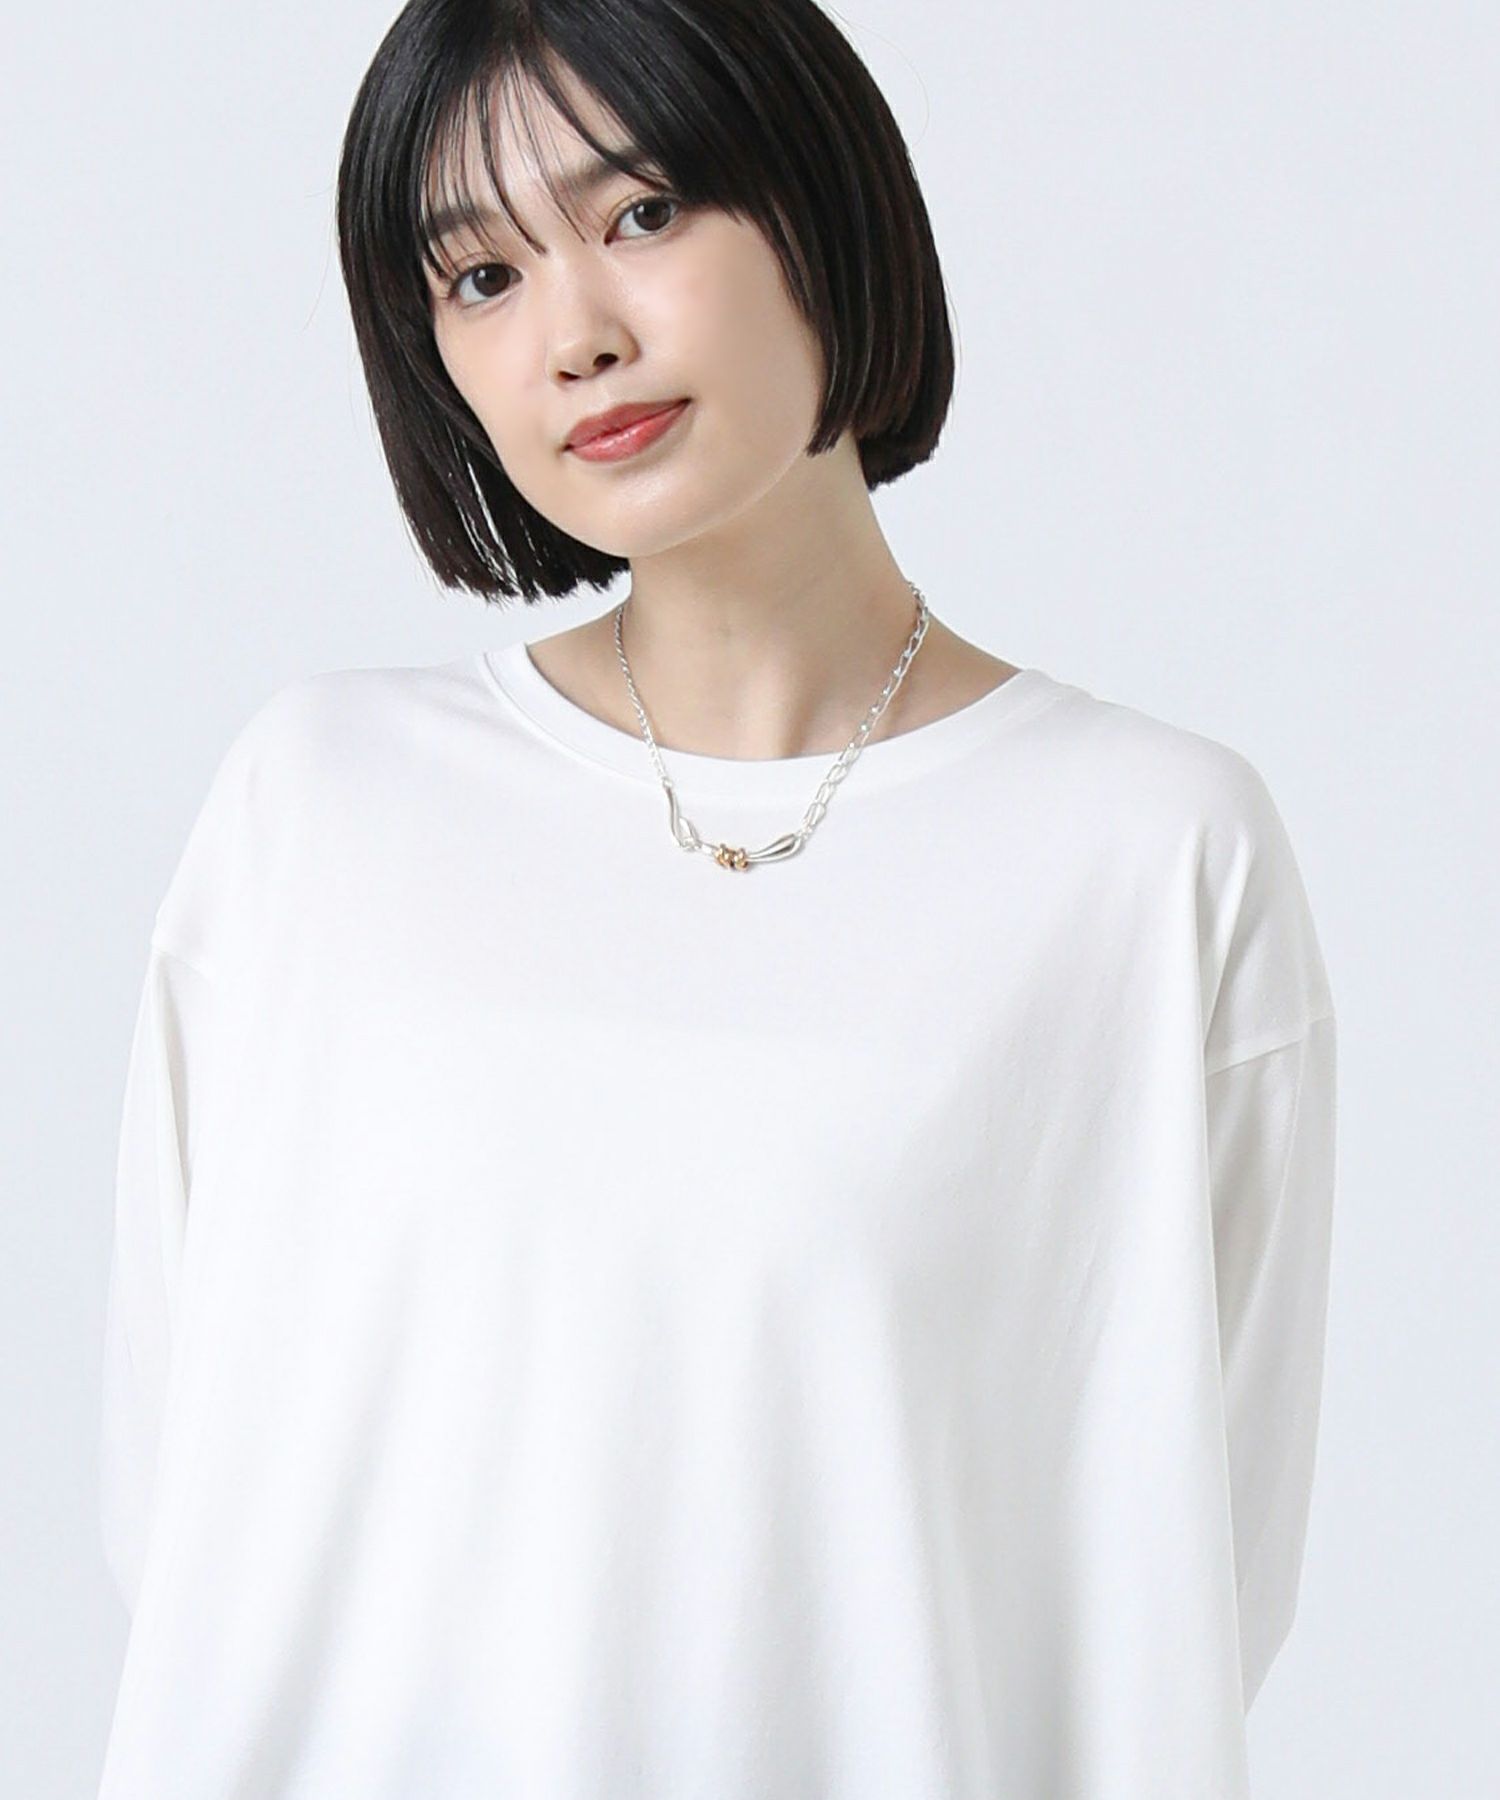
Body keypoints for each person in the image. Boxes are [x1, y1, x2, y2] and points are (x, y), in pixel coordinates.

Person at [95, 1, 1338, 1795]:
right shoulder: (316, 810)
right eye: (482, 277)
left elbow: (1179, 1600)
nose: (578, 336)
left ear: (821, 200)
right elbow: (190, 1523)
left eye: (646, 213)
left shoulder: (1150, 859)